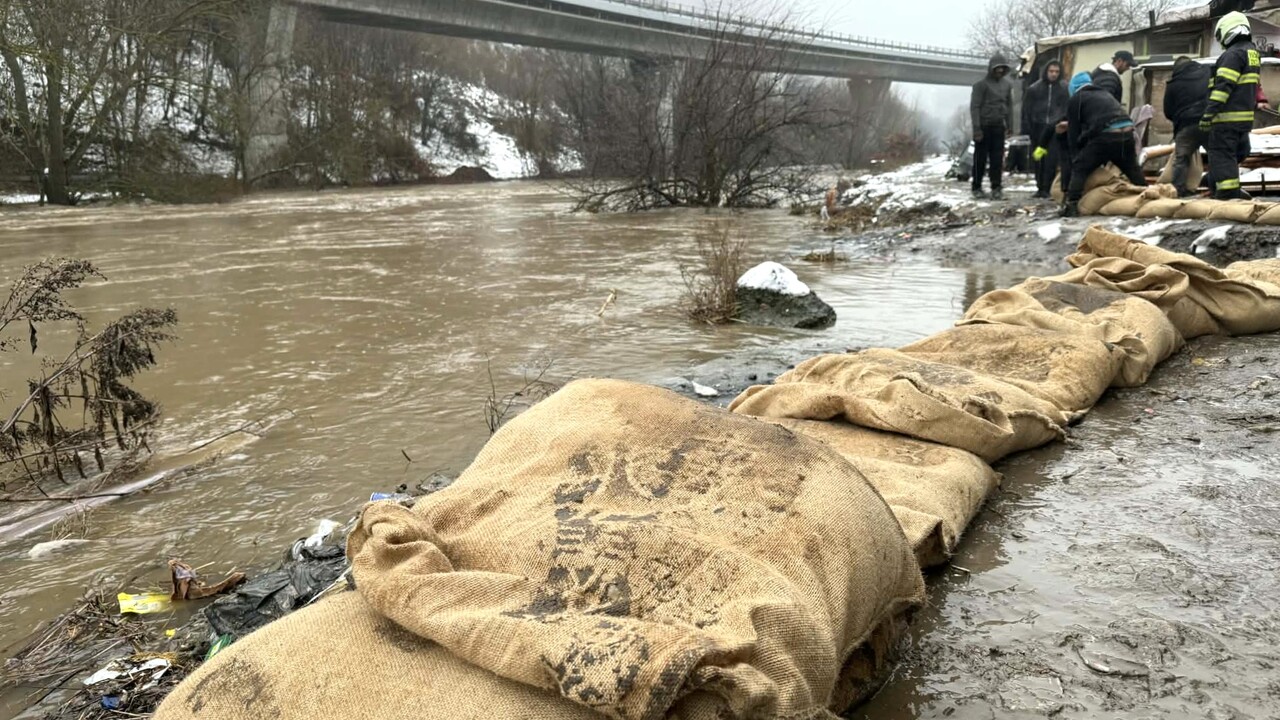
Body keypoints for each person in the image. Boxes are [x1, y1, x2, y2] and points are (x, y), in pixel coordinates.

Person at [1061, 72, 1147, 217]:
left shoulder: (1077, 98)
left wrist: (1075, 157)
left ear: (1073, 87)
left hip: (1106, 135)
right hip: (1127, 133)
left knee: (1080, 168)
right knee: (1132, 169)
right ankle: (1147, 194)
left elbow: (1073, 133)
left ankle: (1072, 204)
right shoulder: (1103, 93)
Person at [1202, 11, 1263, 200]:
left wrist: (1208, 114)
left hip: (1226, 118)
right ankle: (1215, 181)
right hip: (1244, 119)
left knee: (1220, 153)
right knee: (1239, 151)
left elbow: (1223, 87)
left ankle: (1228, 193)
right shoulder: (1252, 53)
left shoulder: (1233, 54)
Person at [1164, 56, 1211, 197]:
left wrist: (1179, 119)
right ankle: (1217, 188)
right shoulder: (1207, 73)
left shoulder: (1173, 83)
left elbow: (1168, 111)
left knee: (1181, 159)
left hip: (1185, 126)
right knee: (1217, 155)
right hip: (1208, 122)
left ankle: (1178, 191)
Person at [970, 54, 1014, 200]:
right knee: (980, 159)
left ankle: (996, 187)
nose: (1000, 70)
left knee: (997, 159)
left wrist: (1010, 126)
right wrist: (976, 129)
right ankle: (976, 186)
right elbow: (975, 107)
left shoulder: (1007, 85)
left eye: (1002, 68)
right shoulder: (980, 85)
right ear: (991, 68)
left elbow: (1009, 106)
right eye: (997, 68)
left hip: (998, 127)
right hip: (983, 127)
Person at [1023, 60, 1068, 198]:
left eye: (1056, 72)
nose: (1054, 74)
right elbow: (1027, 110)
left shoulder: (1064, 88)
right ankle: (1040, 187)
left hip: (1055, 129)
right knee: (1038, 157)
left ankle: (1048, 187)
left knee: (1051, 159)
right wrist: (1028, 128)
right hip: (1038, 129)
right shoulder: (1034, 89)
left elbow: (1067, 107)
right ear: (1046, 71)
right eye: (1051, 71)